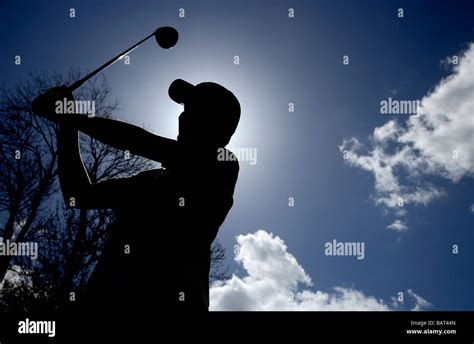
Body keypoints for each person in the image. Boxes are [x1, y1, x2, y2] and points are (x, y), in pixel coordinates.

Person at [31, 79, 240, 311]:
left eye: (197, 111)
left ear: (221, 129)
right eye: (185, 110)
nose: (184, 117)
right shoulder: (146, 181)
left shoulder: (223, 164)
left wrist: (69, 117)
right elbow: (79, 195)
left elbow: (144, 142)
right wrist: (66, 128)